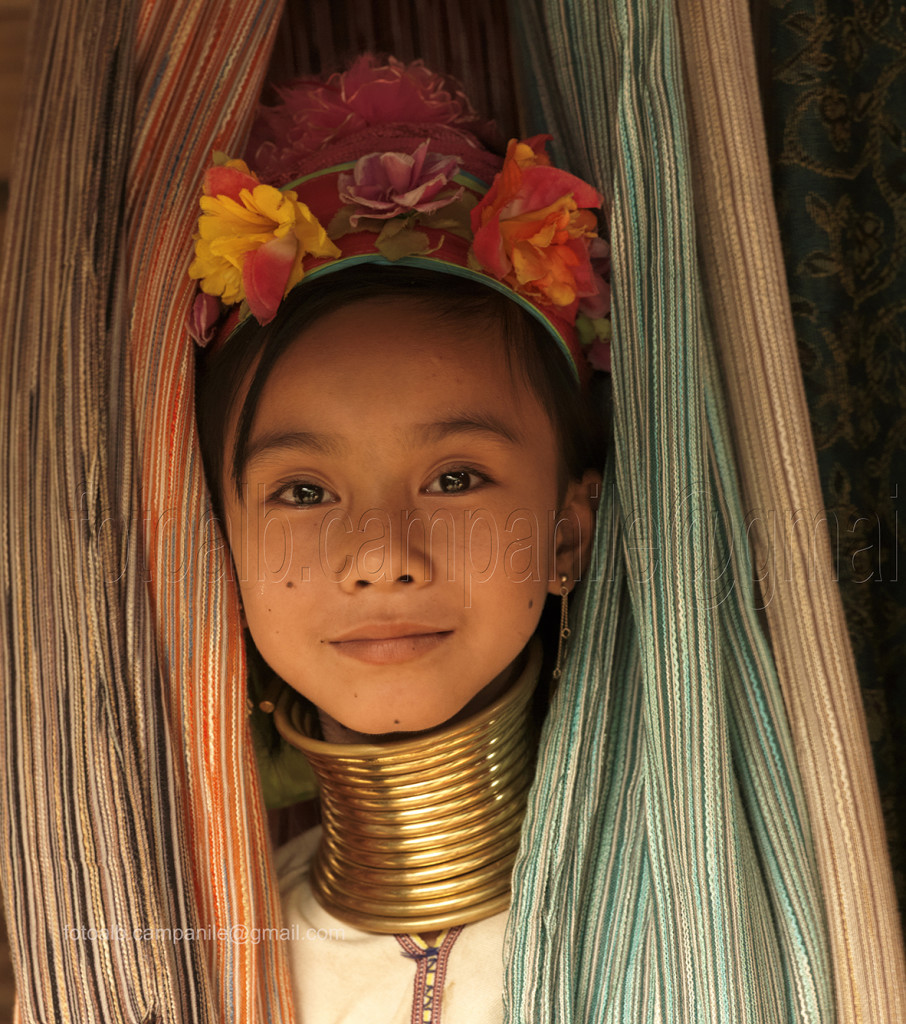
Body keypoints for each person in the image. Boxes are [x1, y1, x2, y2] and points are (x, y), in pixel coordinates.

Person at [189, 55, 611, 1021]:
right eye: (302, 491)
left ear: (568, 535)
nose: (381, 555)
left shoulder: (693, 913)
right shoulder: (202, 957)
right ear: (220, 553)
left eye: (456, 479)